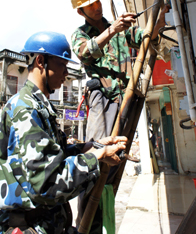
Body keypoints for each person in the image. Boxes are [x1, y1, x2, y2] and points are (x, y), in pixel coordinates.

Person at [0, 31, 127, 234]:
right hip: (29, 226)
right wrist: (97, 156)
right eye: (62, 65)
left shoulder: (40, 106)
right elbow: (48, 184)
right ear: (41, 61)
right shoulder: (25, 109)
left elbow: (58, 153)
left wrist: (95, 145)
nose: (66, 73)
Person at [71, 0, 170, 141]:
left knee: (120, 145)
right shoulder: (80, 34)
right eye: (90, 5)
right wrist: (112, 30)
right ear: (80, 11)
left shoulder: (119, 28)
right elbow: (85, 54)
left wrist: (158, 24)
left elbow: (144, 37)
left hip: (126, 95)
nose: (97, 7)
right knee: (99, 146)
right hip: (103, 97)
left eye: (98, 2)